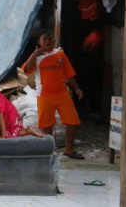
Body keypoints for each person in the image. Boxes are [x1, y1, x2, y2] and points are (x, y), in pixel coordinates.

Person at [22, 29, 84, 159]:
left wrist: (77, 89)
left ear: (54, 41)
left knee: (72, 121)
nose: (48, 41)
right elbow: (27, 69)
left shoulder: (60, 54)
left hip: (62, 94)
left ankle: (69, 149)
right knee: (47, 125)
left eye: (50, 39)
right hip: (44, 95)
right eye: (45, 39)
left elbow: (69, 74)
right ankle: (47, 152)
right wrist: (36, 52)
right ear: (39, 41)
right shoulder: (37, 57)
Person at [0, 75, 44, 139]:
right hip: (8, 111)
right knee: (14, 130)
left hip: (8, 114)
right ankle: (27, 130)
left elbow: (0, 119)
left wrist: (2, 136)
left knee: (10, 134)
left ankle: (27, 131)